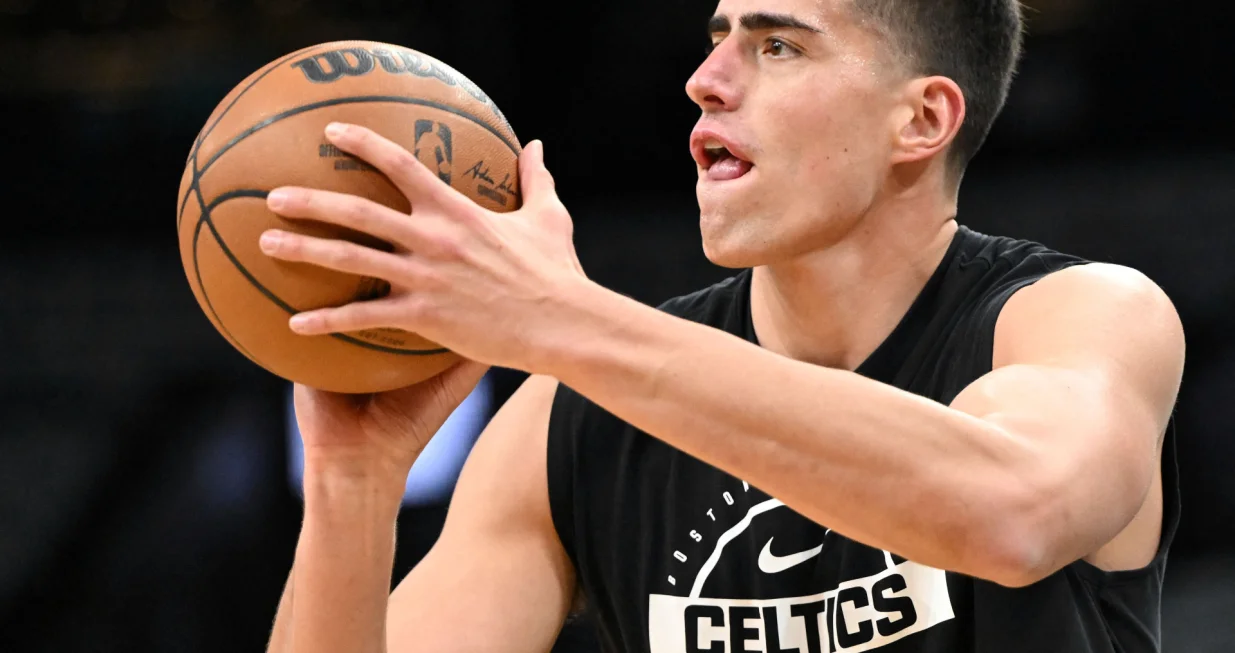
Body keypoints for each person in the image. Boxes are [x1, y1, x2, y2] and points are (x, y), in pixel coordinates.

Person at [256, 0, 1185, 651]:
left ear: (922, 119)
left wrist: (557, 316)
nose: (704, 80)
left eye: (776, 46)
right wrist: (354, 482)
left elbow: (1010, 514)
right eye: (714, 40)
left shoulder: (1080, 315)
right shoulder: (566, 420)